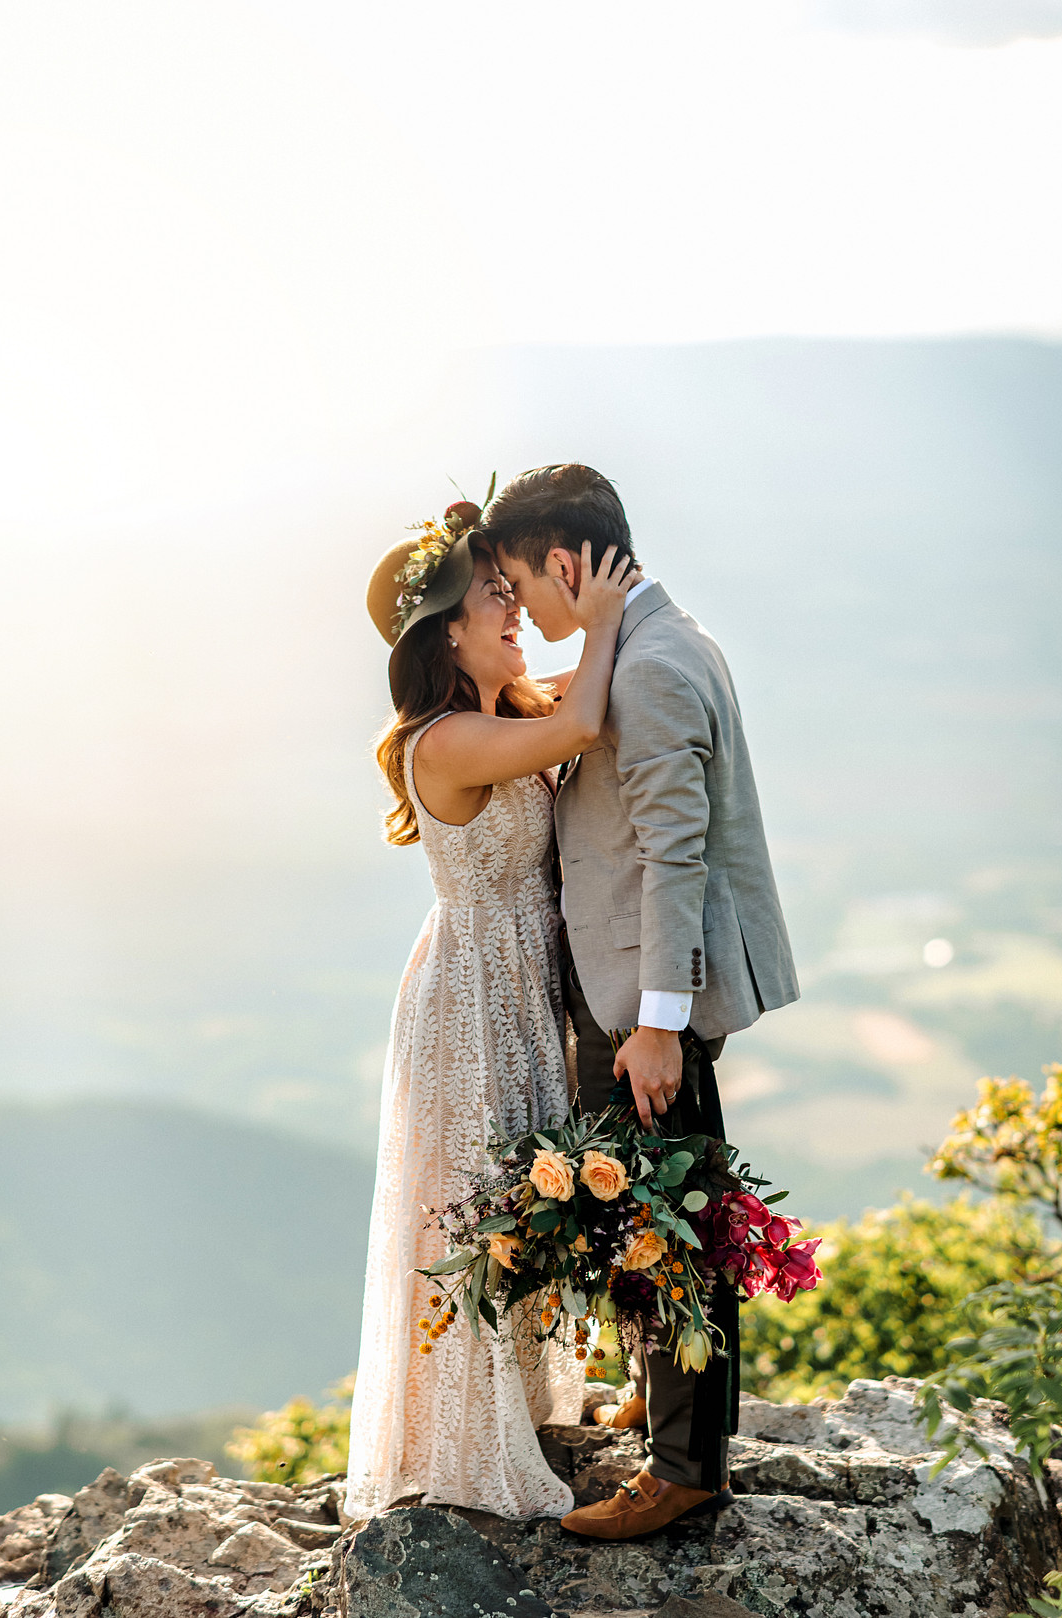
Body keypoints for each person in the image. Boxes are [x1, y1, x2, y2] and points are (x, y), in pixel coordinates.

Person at [482, 464, 799, 1540]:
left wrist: (658, 1020)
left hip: (646, 1000)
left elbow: (674, 850)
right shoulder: (663, 639)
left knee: (673, 1223)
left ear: (567, 562)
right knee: (652, 1210)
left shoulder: (653, 667)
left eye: (525, 586)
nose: (524, 609)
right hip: (629, 989)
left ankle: (684, 1467)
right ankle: (664, 1405)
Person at [346, 498, 640, 1519]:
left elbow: (590, 699)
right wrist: (601, 617)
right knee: (480, 1203)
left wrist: (626, 642)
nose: (515, 611)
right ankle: (470, 1439)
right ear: (448, 633)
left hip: (516, 981)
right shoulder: (446, 739)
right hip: (471, 991)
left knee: (520, 1192)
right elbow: (585, 719)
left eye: (514, 594)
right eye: (494, 598)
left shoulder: (500, 710)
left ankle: (517, 1403)